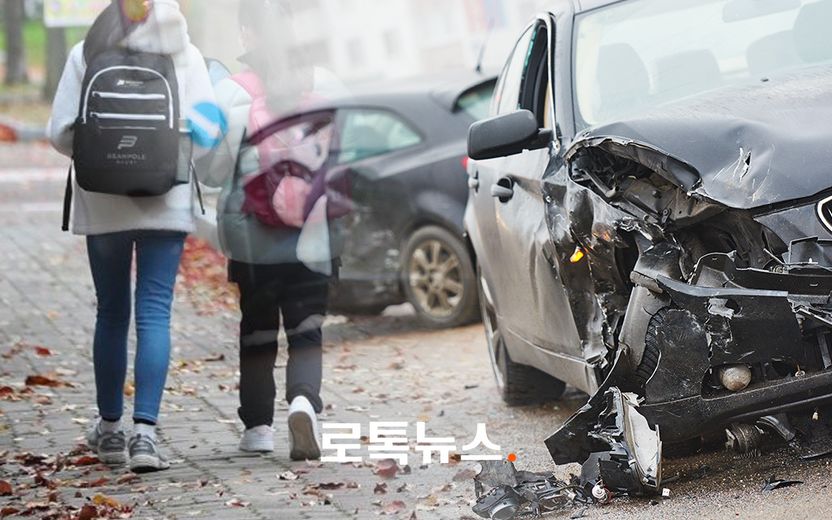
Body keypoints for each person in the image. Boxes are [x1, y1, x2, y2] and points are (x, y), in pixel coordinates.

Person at [47, 0, 216, 472]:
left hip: (102, 201)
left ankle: (110, 431)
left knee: (112, 312)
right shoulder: (188, 55)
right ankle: (145, 436)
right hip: (166, 198)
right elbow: (206, 131)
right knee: (154, 311)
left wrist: (108, 154)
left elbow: (60, 132)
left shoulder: (86, 51)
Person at [198, 0, 349, 459]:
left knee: (257, 329)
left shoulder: (229, 93)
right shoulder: (326, 84)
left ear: (248, 35)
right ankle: (304, 402)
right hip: (315, 231)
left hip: (252, 235)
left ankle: (257, 427)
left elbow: (211, 170)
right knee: (307, 328)